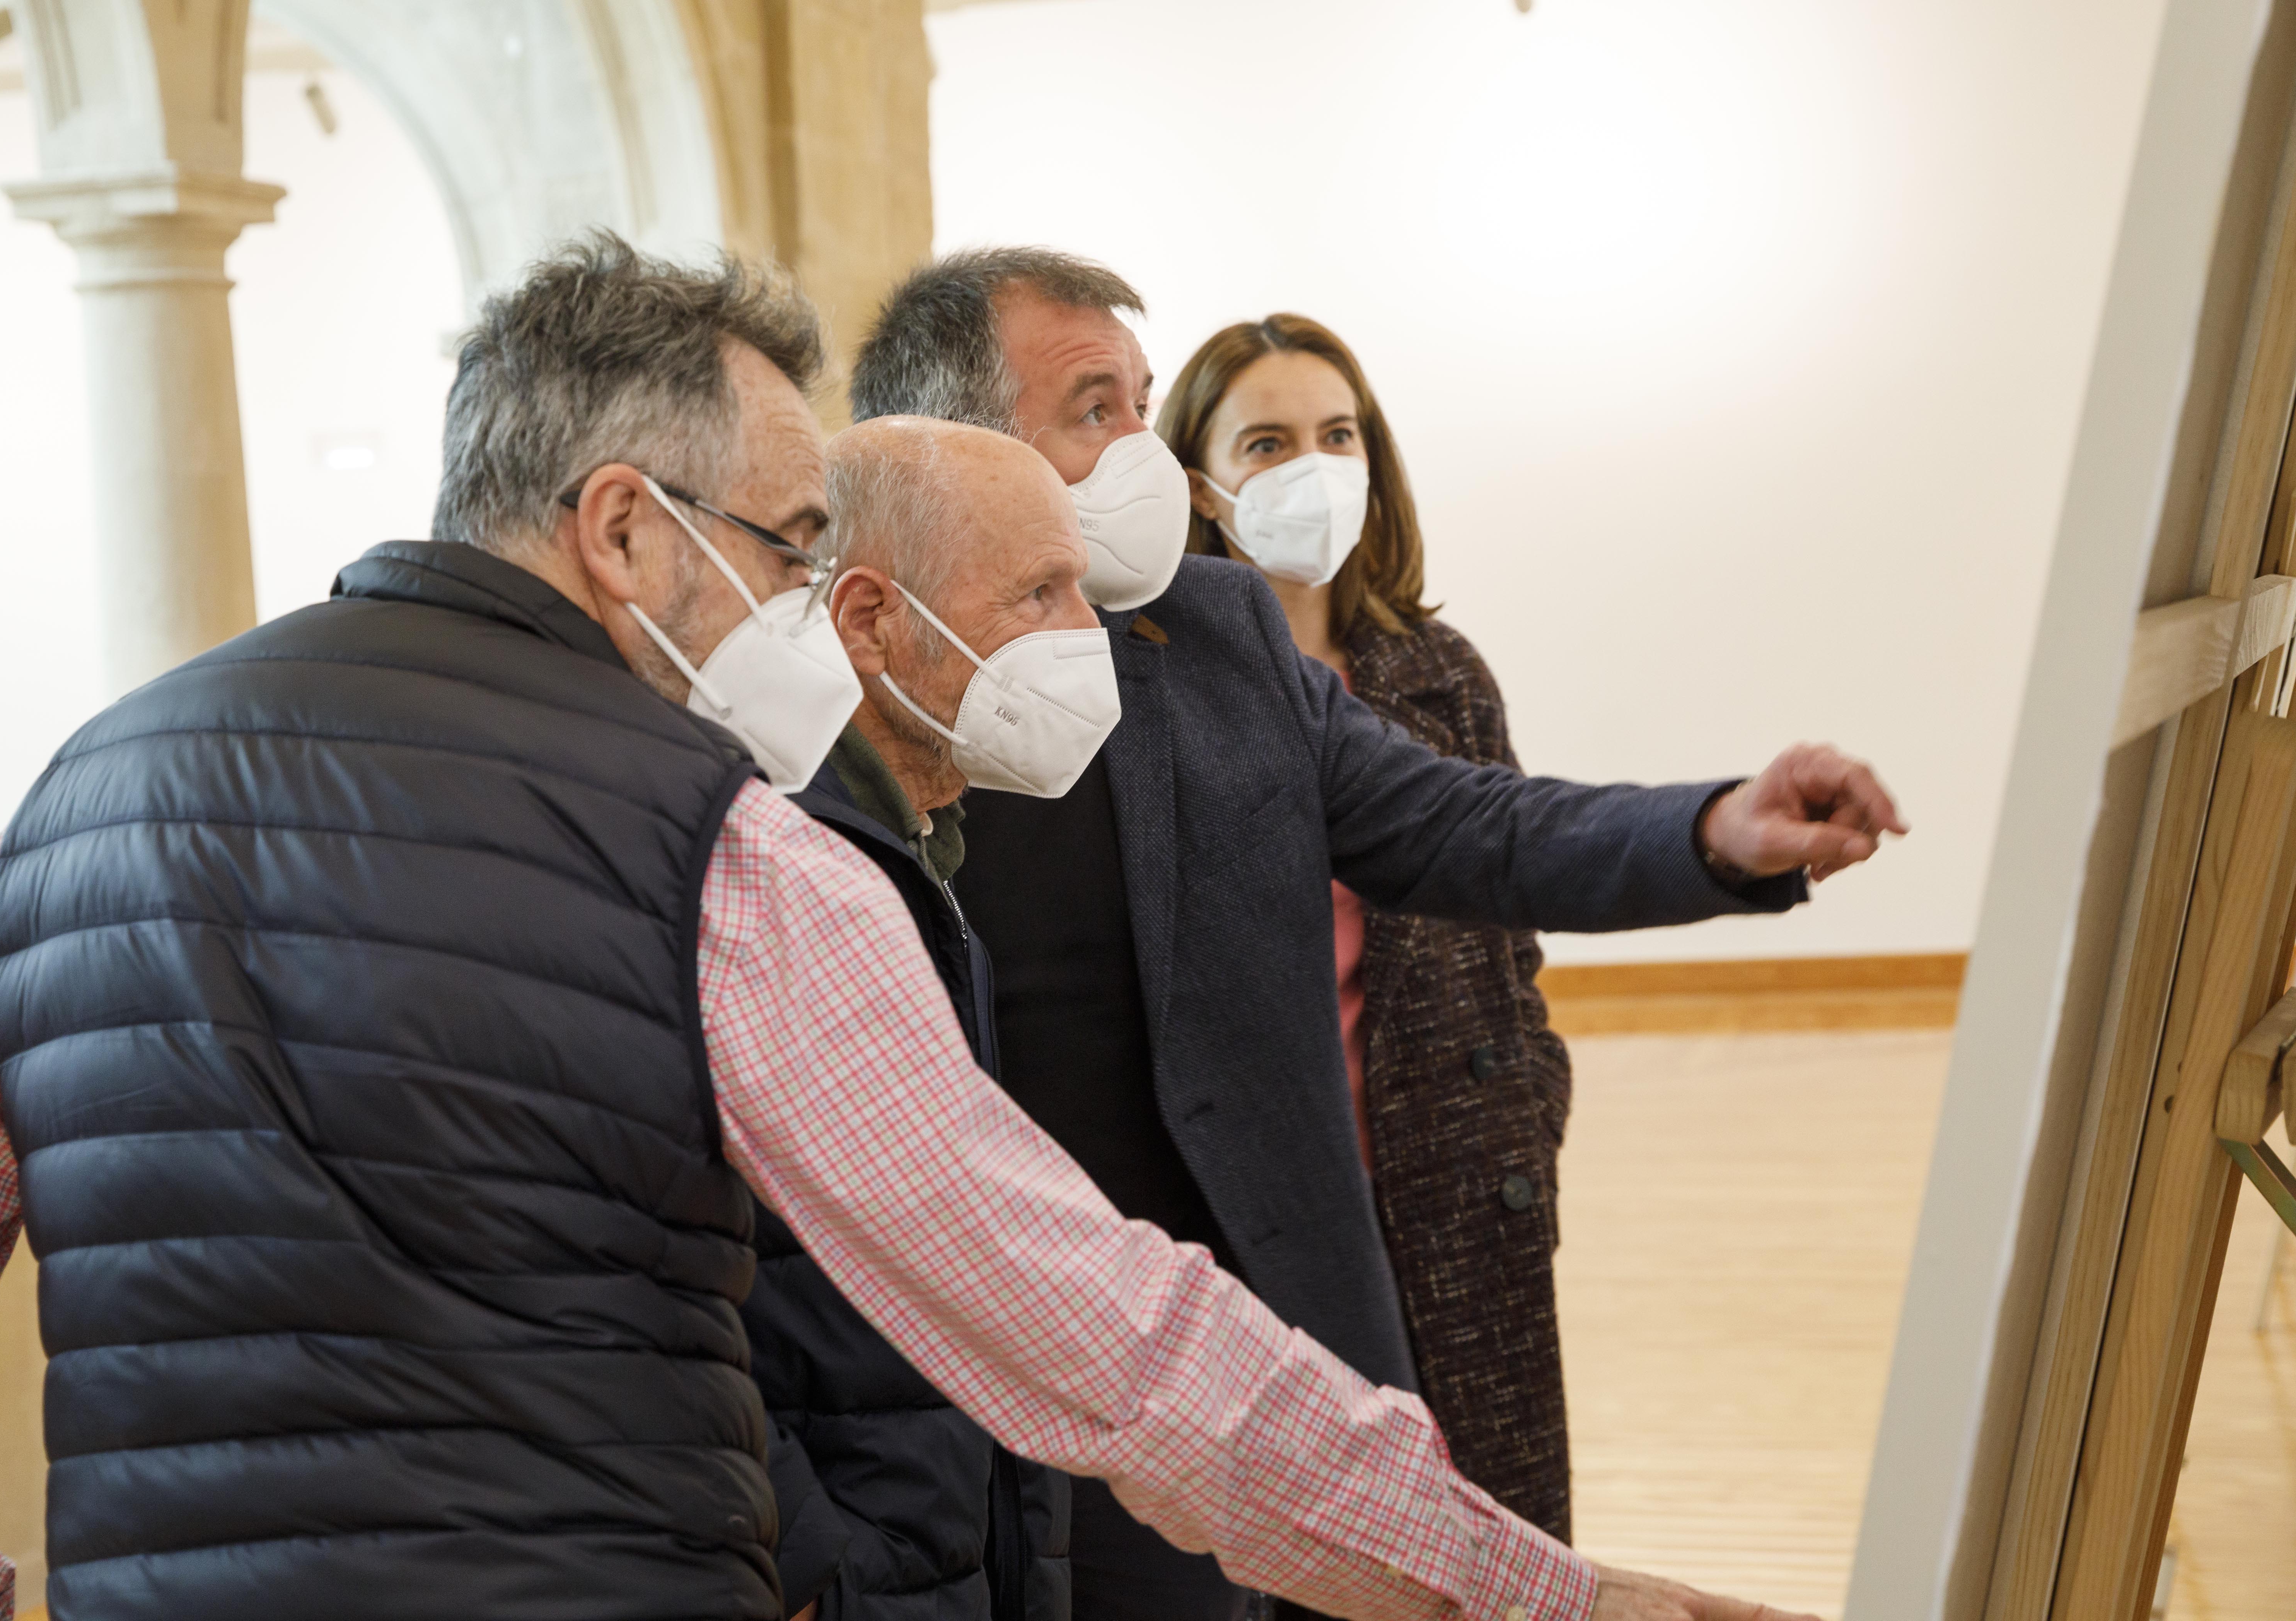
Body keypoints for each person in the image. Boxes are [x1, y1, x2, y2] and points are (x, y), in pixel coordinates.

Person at [0, 234, 1816, 1621]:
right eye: (785, 545)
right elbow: (1090, 1333)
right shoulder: (718, 849)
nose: (810, 605)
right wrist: (1520, 1585)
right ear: (621, 524)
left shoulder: (78, 797)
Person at [848, 246, 1905, 1621]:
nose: (1141, 452)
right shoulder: (857, 706)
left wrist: (1715, 832)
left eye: (1141, 401)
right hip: (1052, 1364)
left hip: (1295, 1313)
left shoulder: (1215, 629)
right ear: (960, 451)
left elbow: (1465, 824)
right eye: (1093, 407)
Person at [1159, 311, 1573, 1540]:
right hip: (1269, 1201)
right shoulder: (1162, 688)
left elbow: (1511, 933)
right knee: (1317, 1543)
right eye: (1270, 442)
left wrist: (1531, 1109)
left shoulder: (1439, 672)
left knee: (1493, 1533)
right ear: (1203, 484)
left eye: (1339, 435)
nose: (1315, 469)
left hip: (1452, 1178)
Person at [750, 413, 1103, 1621]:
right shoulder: (783, 871)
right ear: (866, 620)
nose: (1085, 637)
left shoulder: (923, 849)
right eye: (1039, 593)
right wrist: (810, 1559)